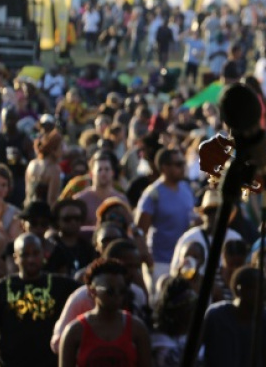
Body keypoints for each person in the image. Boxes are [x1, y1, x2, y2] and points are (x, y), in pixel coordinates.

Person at [0, 233, 79, 367]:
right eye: (25, 255)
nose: (31, 259)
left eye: (35, 253)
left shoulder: (62, 285)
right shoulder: (0, 289)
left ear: (43, 255)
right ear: (15, 258)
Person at [59, 258, 151, 367]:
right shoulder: (74, 331)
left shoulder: (137, 329)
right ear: (92, 291)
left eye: (122, 290)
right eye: (110, 291)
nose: (117, 296)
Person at [135, 148, 195, 299]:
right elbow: (139, 231)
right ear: (164, 168)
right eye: (178, 164)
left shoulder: (186, 189)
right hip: (160, 262)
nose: (183, 168)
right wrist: (149, 262)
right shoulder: (152, 194)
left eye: (183, 163)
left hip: (183, 262)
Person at [203, 266, 266, 367]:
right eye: (258, 289)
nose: (264, 295)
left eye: (265, 290)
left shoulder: (265, 317)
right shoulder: (216, 316)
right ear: (240, 290)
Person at [151, 276, 198, 367]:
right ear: (176, 311)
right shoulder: (160, 342)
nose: (193, 312)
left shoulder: (188, 335)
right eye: (189, 308)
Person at [74, 151, 129, 226]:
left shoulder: (121, 200)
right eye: (99, 170)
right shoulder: (80, 200)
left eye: (107, 169)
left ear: (112, 173)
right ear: (91, 174)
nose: (103, 173)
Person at [45, 199, 96, 276]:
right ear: (57, 221)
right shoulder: (51, 246)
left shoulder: (87, 247)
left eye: (77, 218)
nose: (73, 222)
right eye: (67, 219)